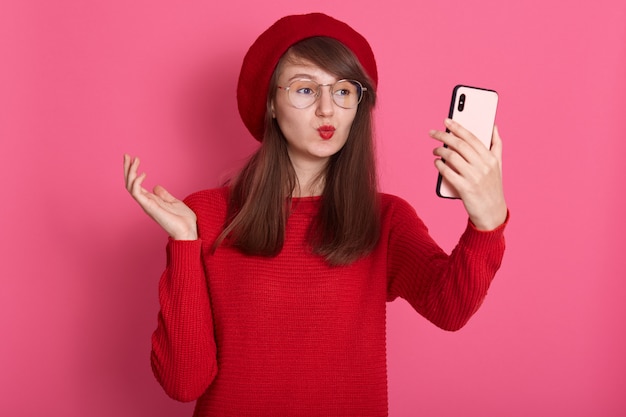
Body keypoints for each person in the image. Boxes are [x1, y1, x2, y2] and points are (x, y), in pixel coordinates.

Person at [123, 12, 508, 417]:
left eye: (343, 91)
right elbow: (184, 384)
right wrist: (185, 242)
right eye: (305, 90)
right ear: (270, 103)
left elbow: (450, 309)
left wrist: (488, 223)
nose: (328, 109)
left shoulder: (387, 218)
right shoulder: (206, 214)